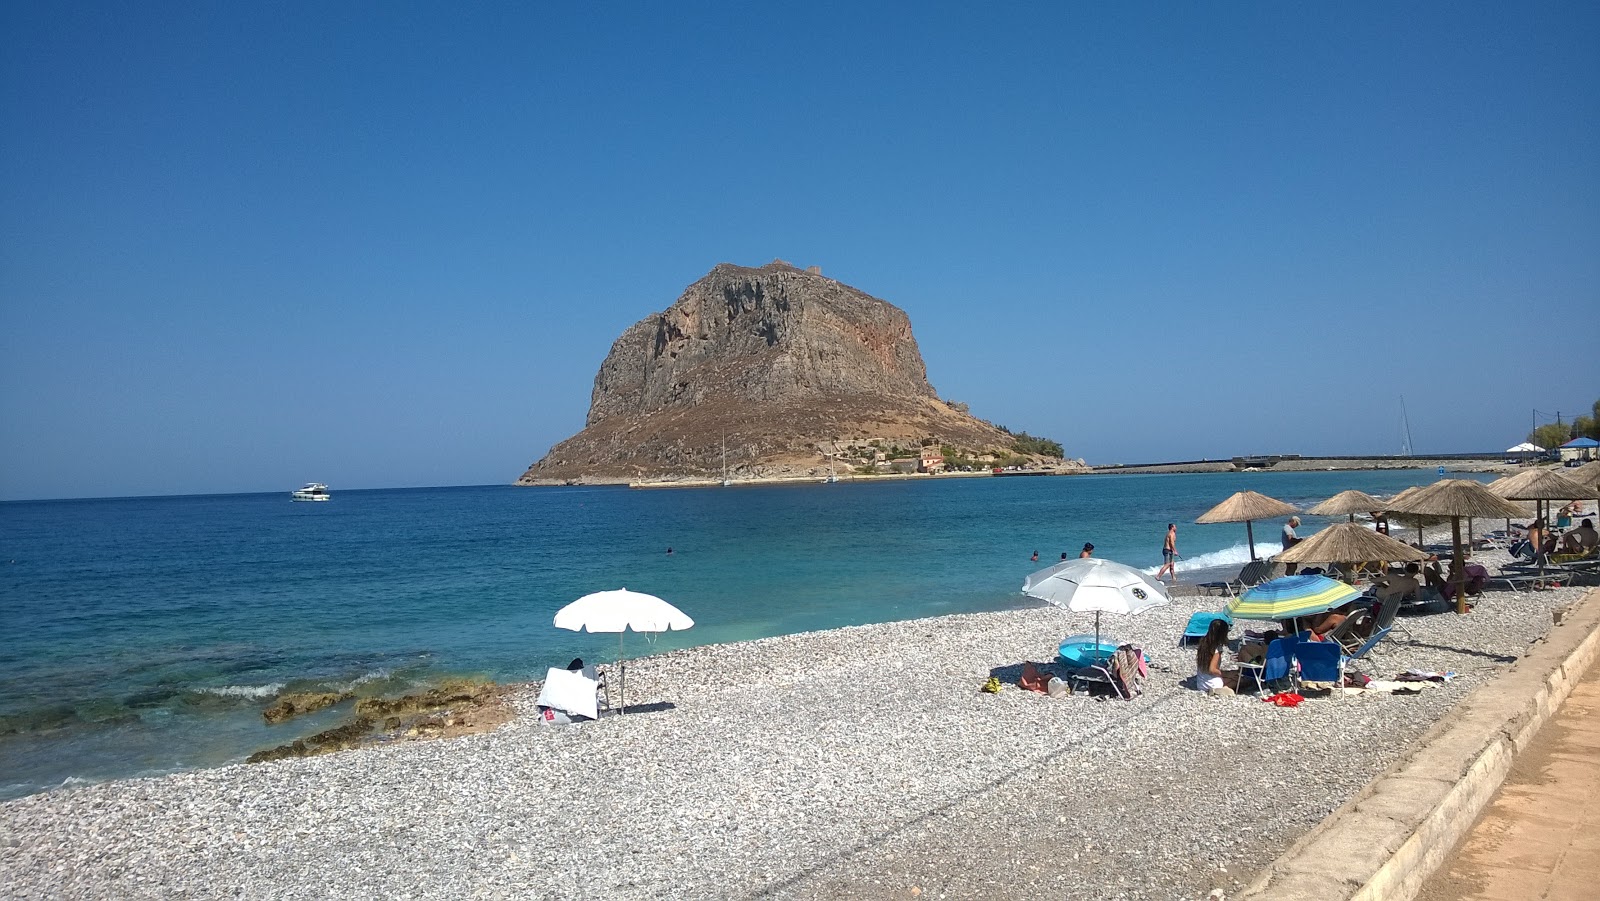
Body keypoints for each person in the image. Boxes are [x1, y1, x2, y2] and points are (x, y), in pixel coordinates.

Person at [1194, 618, 1236, 696]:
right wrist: (1223, 674)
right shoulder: (1216, 648)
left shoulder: (1203, 643)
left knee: (1231, 675)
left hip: (1200, 684)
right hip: (1213, 684)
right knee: (1237, 679)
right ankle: (1219, 690)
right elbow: (1212, 669)